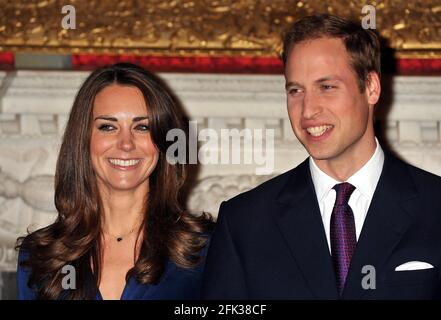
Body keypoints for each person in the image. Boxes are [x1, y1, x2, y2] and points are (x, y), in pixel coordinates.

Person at [202, 14, 441, 299]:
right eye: (295, 90)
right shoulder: (243, 223)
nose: (307, 110)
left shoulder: (435, 205)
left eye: (326, 87)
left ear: (372, 88)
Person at [16, 63, 212, 300]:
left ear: (162, 142)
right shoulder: (41, 255)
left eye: (142, 127)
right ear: (84, 139)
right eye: (108, 127)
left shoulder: (205, 250)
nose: (126, 143)